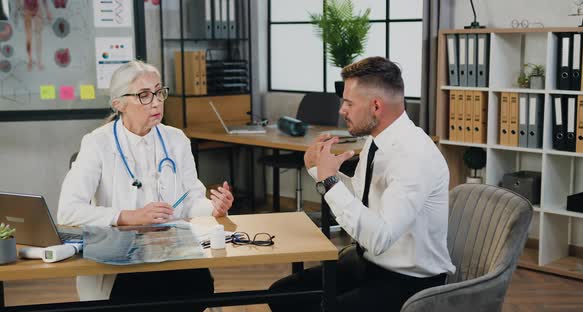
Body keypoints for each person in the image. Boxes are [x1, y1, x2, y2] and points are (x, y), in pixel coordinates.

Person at [269, 56, 455, 311]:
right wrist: (317, 169)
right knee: (282, 294)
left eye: (348, 103)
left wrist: (330, 182)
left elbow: (380, 238)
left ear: (376, 106)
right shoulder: (375, 141)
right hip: (368, 263)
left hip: (409, 281)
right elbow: (359, 198)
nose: (341, 110)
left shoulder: (414, 156)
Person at [58, 60, 234, 310]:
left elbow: (190, 201)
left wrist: (214, 209)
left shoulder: (176, 140)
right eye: (143, 95)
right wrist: (130, 217)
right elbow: (68, 211)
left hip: (174, 255)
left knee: (198, 287)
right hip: (123, 264)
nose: (156, 102)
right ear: (119, 104)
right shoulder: (97, 143)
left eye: (159, 92)